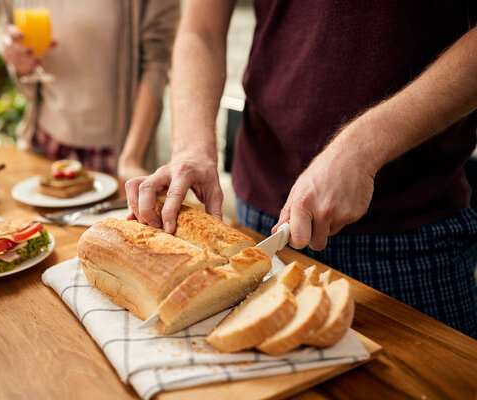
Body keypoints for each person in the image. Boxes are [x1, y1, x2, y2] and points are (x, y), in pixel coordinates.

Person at [125, 1, 477, 338]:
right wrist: (191, 147)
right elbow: (200, 29)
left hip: (417, 238)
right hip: (261, 222)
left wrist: (362, 147)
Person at [0, 0, 179, 180]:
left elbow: (156, 65)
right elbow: (21, 59)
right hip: (44, 144)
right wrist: (20, 61)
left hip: (116, 154)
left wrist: (131, 159)